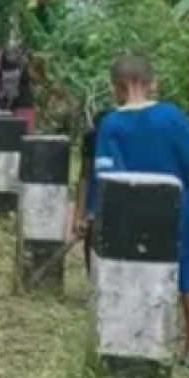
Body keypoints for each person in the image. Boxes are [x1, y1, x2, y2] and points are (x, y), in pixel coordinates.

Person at [94, 55, 189, 367]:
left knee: (133, 273)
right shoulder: (172, 117)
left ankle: (136, 342)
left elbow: (105, 173)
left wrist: (96, 215)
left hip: (131, 211)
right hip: (179, 207)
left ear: (116, 87)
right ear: (151, 83)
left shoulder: (110, 123)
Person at [73, 107, 113, 275]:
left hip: (118, 206)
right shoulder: (92, 141)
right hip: (94, 208)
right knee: (92, 247)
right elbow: (85, 177)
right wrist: (79, 215)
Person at [0, 44, 36, 133]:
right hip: (24, 105)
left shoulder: (0, 71)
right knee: (27, 136)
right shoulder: (23, 70)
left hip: (6, 108)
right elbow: (34, 80)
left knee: (8, 138)